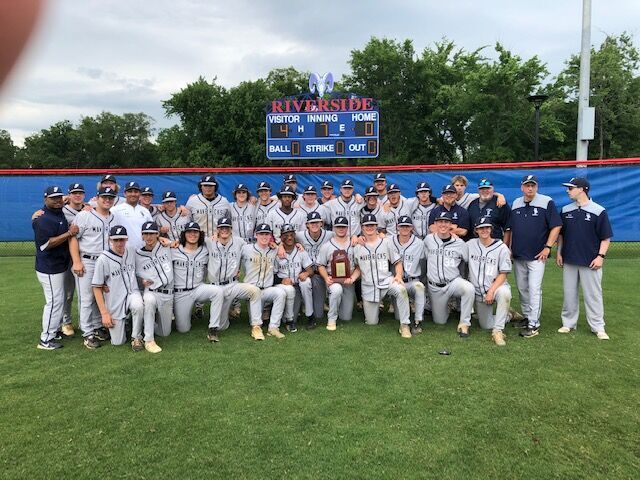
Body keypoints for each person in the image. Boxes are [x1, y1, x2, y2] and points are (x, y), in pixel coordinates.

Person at [556, 177, 613, 340]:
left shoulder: (598, 210)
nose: (568, 190)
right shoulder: (566, 210)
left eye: (571, 188)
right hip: (569, 259)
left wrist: (600, 256)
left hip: (591, 261)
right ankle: (568, 323)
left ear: (582, 189)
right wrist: (559, 252)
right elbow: (561, 235)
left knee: (593, 294)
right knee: (569, 293)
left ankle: (598, 327)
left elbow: (605, 237)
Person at [507, 174, 562, 338]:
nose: (530, 188)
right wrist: (508, 248)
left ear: (536, 187)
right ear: (522, 187)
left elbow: (556, 225)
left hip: (538, 255)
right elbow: (510, 229)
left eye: (533, 185)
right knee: (523, 288)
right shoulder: (516, 203)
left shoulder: (546, 201)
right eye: (527, 185)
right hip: (518, 254)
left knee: (534, 289)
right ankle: (527, 316)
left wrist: (547, 247)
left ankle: (534, 324)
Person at [69, 186, 116, 349]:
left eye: (111, 197)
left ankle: (97, 327)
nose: (108, 199)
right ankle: (87, 333)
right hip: (88, 260)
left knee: (101, 296)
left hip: (106, 262)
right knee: (87, 298)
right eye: (104, 197)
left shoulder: (114, 218)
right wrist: (76, 261)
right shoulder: (84, 215)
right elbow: (73, 239)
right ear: (97, 198)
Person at [33, 186, 79, 350]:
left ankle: (54, 331)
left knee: (57, 301)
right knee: (54, 302)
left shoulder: (57, 212)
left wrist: (65, 199)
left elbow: (68, 201)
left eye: (59, 197)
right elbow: (46, 244)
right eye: (53, 198)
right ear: (45, 199)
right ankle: (45, 339)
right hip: (49, 267)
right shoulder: (43, 219)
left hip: (58, 265)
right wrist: (69, 234)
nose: (57, 200)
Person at [352, 214, 412, 338]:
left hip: (386, 281)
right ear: (362, 227)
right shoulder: (357, 247)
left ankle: (405, 325)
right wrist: (352, 278)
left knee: (401, 289)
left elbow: (397, 262)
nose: (369, 228)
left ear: (376, 227)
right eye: (367, 225)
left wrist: (399, 276)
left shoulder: (386, 242)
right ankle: (376, 309)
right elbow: (358, 267)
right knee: (371, 323)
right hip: (369, 287)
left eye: (372, 225)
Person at [204, 217, 264, 341]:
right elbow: (190, 240)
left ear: (231, 229)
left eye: (227, 228)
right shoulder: (209, 241)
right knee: (222, 326)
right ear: (218, 230)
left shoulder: (239, 242)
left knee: (254, 291)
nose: (224, 230)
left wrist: (275, 245)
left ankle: (256, 326)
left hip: (233, 285)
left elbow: (256, 247)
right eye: (222, 228)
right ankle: (221, 319)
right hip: (215, 287)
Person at [91, 226, 145, 349]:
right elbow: (96, 287)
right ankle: (127, 323)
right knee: (118, 342)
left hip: (132, 293)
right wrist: (104, 313)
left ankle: (136, 337)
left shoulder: (131, 250)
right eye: (116, 240)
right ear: (110, 240)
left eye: (122, 239)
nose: (119, 243)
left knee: (138, 305)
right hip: (115, 299)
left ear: (126, 239)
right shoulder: (103, 259)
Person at [424, 211, 475, 337]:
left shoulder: (460, 243)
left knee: (468, 288)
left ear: (450, 225)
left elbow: (468, 261)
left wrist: (466, 278)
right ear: (435, 224)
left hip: (453, 282)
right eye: (440, 222)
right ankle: (448, 307)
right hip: (435, 287)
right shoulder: (428, 240)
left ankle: (464, 324)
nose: (443, 225)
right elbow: (424, 259)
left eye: (446, 222)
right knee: (440, 321)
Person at [170, 222, 225, 337]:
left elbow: (222, 247)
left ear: (200, 234)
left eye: (195, 232)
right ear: (184, 234)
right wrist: (165, 240)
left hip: (198, 289)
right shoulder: (174, 250)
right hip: (181, 293)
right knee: (183, 329)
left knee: (218, 291)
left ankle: (213, 327)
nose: (192, 234)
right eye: (189, 232)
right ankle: (180, 314)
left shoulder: (205, 250)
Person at [466, 217, 513, 346]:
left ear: (491, 229)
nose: (484, 230)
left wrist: (492, 291)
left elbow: (504, 273)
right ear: (476, 230)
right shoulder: (470, 244)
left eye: (487, 227)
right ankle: (508, 315)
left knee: (505, 294)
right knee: (485, 325)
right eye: (481, 228)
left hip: (496, 287)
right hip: (479, 292)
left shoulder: (501, 247)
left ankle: (498, 331)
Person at [240, 223, 290, 338]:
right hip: (251, 291)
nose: (264, 237)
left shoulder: (273, 250)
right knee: (254, 320)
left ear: (270, 236)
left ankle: (273, 327)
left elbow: (284, 260)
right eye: (261, 234)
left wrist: (279, 247)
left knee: (280, 293)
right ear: (256, 235)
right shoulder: (246, 248)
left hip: (266, 290)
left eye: (267, 234)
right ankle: (256, 328)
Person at [134, 221, 173, 352]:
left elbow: (181, 244)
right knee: (149, 301)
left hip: (167, 293)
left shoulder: (166, 247)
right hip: (151, 291)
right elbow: (133, 274)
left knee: (164, 333)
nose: (149, 237)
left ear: (157, 234)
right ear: (142, 236)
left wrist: (171, 242)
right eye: (146, 234)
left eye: (152, 233)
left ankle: (147, 322)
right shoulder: (137, 254)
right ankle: (149, 339)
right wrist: (141, 280)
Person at [317, 216, 357, 330]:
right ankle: (331, 318)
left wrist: (353, 278)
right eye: (338, 227)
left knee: (346, 317)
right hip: (333, 280)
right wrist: (325, 278)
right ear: (334, 228)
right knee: (336, 290)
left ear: (347, 228)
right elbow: (320, 265)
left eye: (343, 227)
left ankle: (338, 305)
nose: (341, 229)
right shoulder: (327, 245)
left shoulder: (354, 244)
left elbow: (359, 266)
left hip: (349, 281)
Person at [390, 216, 426, 334]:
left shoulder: (419, 243)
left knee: (420, 287)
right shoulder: (389, 241)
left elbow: (423, 263)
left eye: (407, 226)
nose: (404, 228)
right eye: (402, 226)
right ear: (397, 227)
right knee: (397, 317)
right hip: (395, 281)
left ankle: (418, 321)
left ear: (412, 228)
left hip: (412, 280)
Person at [296, 211, 334, 324]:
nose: (314, 225)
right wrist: (282, 247)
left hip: (322, 274)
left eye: (317, 222)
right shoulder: (300, 235)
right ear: (307, 224)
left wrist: (355, 238)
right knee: (304, 283)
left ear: (321, 223)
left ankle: (316, 310)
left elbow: (344, 237)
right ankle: (309, 314)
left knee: (319, 314)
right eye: (311, 223)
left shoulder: (330, 234)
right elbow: (286, 239)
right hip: (308, 272)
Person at [275, 224, 314, 331]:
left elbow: (311, 269)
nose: (289, 237)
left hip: (298, 285)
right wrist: (282, 280)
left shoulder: (300, 250)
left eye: (291, 234)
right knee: (286, 318)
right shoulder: (276, 252)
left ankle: (310, 317)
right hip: (284, 287)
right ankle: (289, 320)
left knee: (306, 282)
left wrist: (306, 274)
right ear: (281, 237)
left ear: (295, 235)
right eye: (286, 235)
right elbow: (271, 275)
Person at [60, 182, 87, 337]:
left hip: (85, 256)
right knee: (68, 293)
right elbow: (45, 212)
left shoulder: (90, 209)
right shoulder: (62, 211)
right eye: (74, 193)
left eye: (80, 193)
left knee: (88, 293)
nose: (77, 195)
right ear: (69, 195)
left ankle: (87, 322)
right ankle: (66, 321)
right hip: (68, 257)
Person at [110, 181, 153, 250]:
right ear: (125, 194)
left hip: (143, 251)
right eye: (130, 191)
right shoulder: (115, 210)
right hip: (123, 251)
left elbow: (152, 232)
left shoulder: (145, 211)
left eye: (136, 192)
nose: (133, 194)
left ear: (139, 194)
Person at [467, 178, 511, 242]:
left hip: (495, 245)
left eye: (488, 188)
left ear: (493, 189)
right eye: (482, 189)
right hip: (476, 246)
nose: (485, 191)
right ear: (478, 190)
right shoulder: (472, 204)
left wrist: (505, 246)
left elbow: (508, 228)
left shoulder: (500, 203)